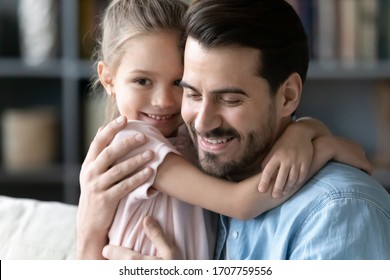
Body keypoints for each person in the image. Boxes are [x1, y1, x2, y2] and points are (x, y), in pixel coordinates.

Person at [77, 0, 378, 260]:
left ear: (288, 96)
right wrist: (320, 146)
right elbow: (239, 203)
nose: (202, 122)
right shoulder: (143, 145)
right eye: (192, 92)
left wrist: (307, 131)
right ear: (108, 79)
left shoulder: (336, 210)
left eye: (230, 99)